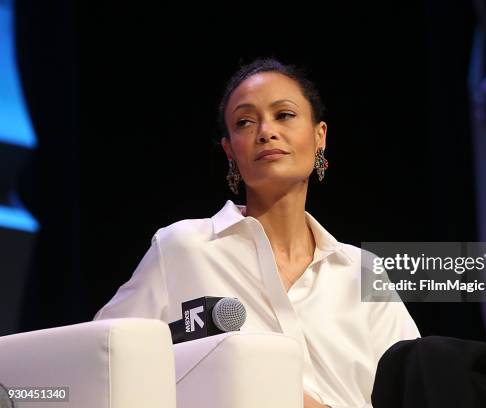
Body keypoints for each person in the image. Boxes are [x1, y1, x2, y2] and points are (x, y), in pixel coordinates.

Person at [94, 57, 420, 408]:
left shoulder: (362, 271)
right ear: (230, 150)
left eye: (284, 115)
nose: (266, 131)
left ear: (319, 136)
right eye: (245, 122)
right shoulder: (184, 248)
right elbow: (101, 360)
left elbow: (414, 390)